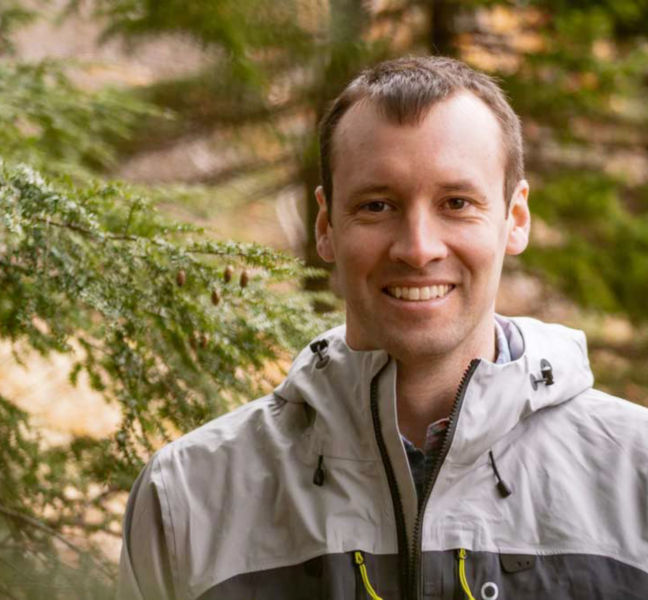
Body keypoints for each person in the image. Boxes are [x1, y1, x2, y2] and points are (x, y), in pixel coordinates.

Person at [118, 56, 648, 600]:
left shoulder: (636, 475)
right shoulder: (186, 499)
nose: (418, 248)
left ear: (515, 218)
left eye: (456, 203)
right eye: (377, 205)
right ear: (326, 226)